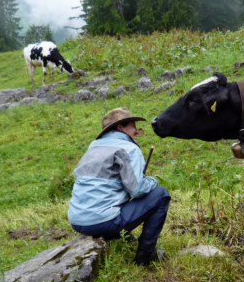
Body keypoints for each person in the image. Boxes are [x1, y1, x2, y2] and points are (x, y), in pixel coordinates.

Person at [68, 107, 171, 266]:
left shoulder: (93, 146)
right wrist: (151, 181)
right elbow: (137, 190)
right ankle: (146, 255)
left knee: (118, 196)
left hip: (77, 221)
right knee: (161, 194)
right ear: (120, 127)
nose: (137, 131)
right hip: (102, 222)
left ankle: (122, 236)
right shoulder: (129, 148)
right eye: (133, 126)